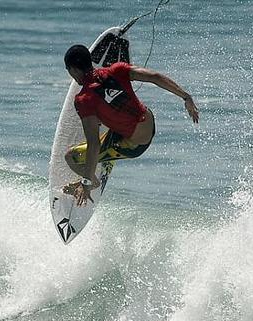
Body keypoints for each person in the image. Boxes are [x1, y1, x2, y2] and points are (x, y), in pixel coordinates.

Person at [63, 44, 199, 206]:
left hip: (134, 144)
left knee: (70, 157)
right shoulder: (116, 70)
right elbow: (155, 76)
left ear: (74, 70)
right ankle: (109, 137)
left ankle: (93, 183)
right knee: (113, 110)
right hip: (149, 121)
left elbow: (94, 144)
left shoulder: (84, 99)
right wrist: (185, 96)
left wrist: (85, 181)